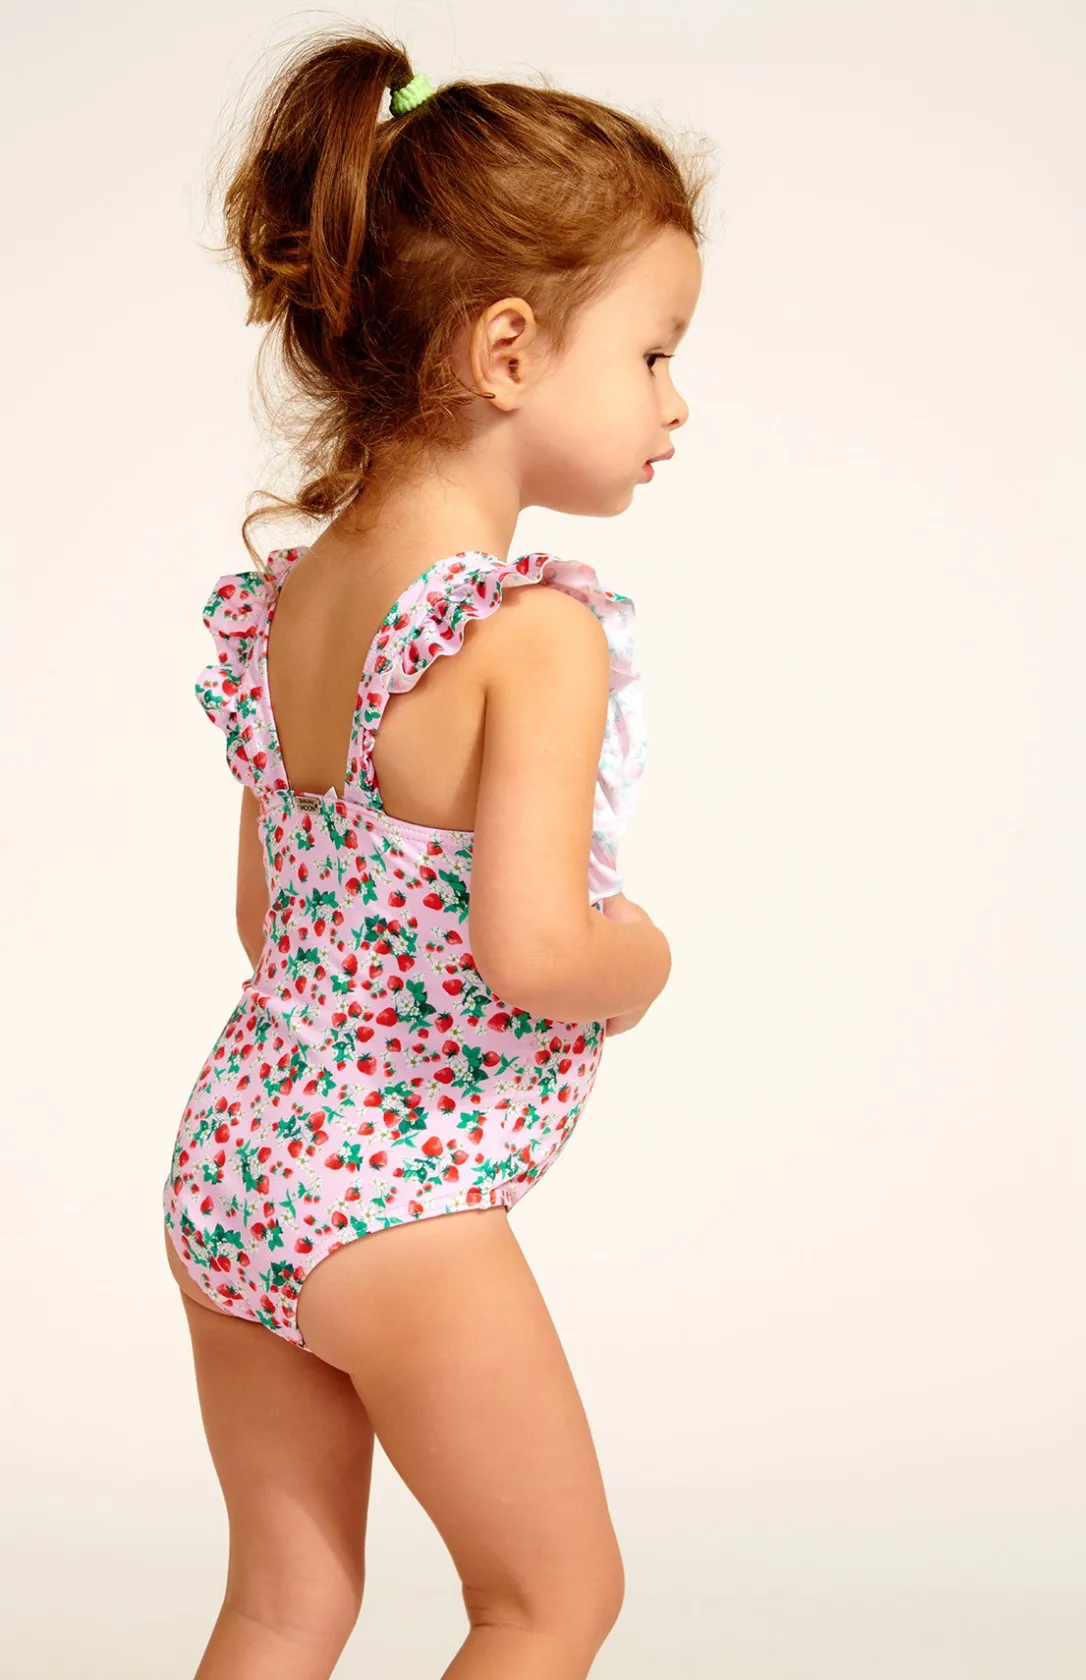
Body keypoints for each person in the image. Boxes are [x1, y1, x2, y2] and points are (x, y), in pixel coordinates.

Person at [161, 25, 710, 1680]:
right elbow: (534, 951)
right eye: (655, 353)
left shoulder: (294, 600)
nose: (676, 402)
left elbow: (267, 920)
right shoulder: (531, 634)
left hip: (235, 1158)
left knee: (284, 1604)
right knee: (547, 1603)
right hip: (393, 1207)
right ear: (508, 347)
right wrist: (643, 959)